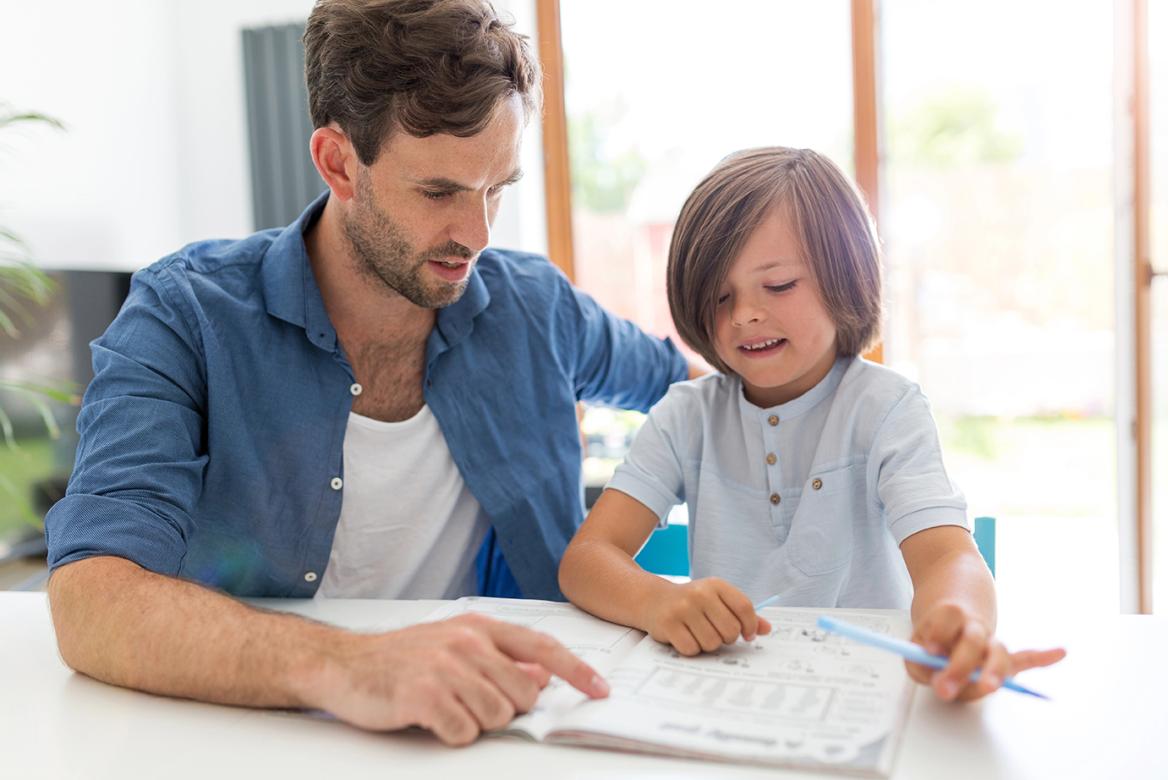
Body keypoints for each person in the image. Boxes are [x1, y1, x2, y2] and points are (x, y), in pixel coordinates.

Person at [44, 0, 693, 745]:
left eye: (498, 189)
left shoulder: (536, 308)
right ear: (338, 162)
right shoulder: (185, 317)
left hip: (505, 743)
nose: (478, 235)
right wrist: (353, 667)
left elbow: (689, 390)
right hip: (252, 742)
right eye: (440, 192)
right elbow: (92, 600)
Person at [558, 146, 1066, 702]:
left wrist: (959, 623)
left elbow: (947, 556)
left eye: (778, 286)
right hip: (733, 692)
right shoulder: (685, 415)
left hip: (867, 692)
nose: (745, 314)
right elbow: (586, 559)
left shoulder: (886, 408)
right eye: (719, 297)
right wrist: (656, 599)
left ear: (844, 279)